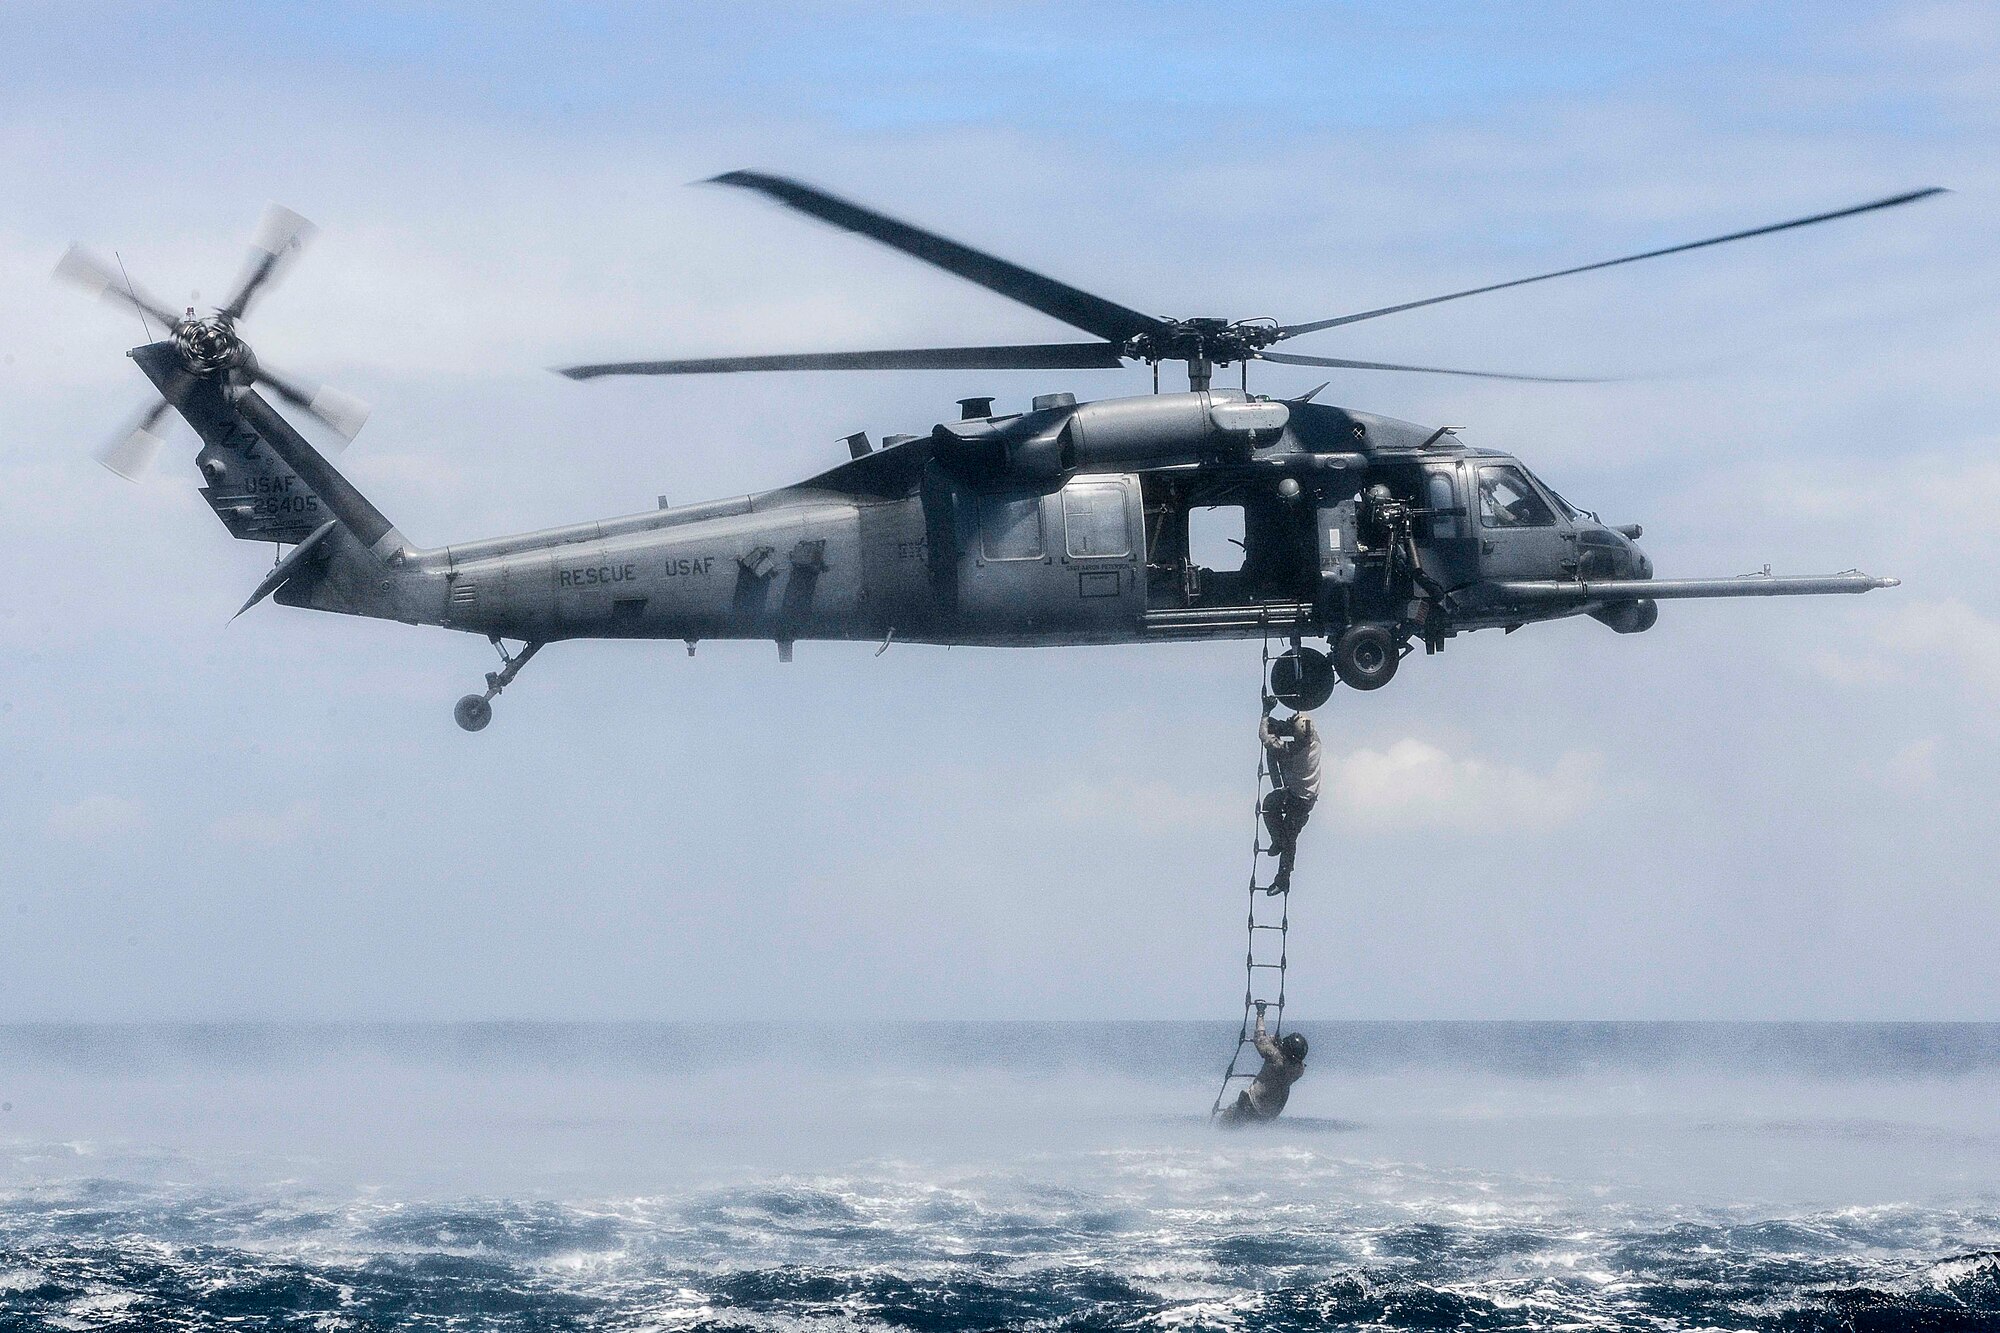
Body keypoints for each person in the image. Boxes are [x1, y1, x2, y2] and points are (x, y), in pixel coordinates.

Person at [1258, 707, 1321, 894]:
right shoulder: (1314, 737)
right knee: (1270, 805)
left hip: (1299, 800)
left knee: (1289, 838)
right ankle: (1278, 840)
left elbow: (1264, 738)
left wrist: (1265, 714)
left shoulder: (1293, 750)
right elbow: (1297, 727)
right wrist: (1283, 723)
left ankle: (1283, 879)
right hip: (1301, 793)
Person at [1220, 1001, 1308, 1124]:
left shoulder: (1276, 1059)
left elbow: (1260, 1039)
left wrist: (1260, 1013)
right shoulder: (1299, 1070)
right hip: (1270, 1114)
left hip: (1252, 1104)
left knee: (1228, 1120)